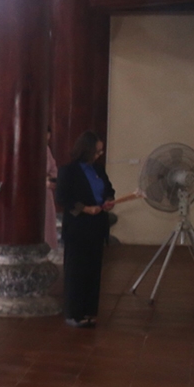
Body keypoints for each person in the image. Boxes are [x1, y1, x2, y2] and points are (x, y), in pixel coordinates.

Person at [56, 130, 115, 327]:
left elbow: (109, 189)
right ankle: (75, 313)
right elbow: (63, 197)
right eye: (96, 151)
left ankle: (90, 311)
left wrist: (108, 200)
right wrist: (85, 208)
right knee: (76, 271)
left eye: (101, 152)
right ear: (86, 150)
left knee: (93, 271)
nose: (99, 155)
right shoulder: (68, 170)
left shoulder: (98, 170)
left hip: (96, 227)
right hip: (78, 228)